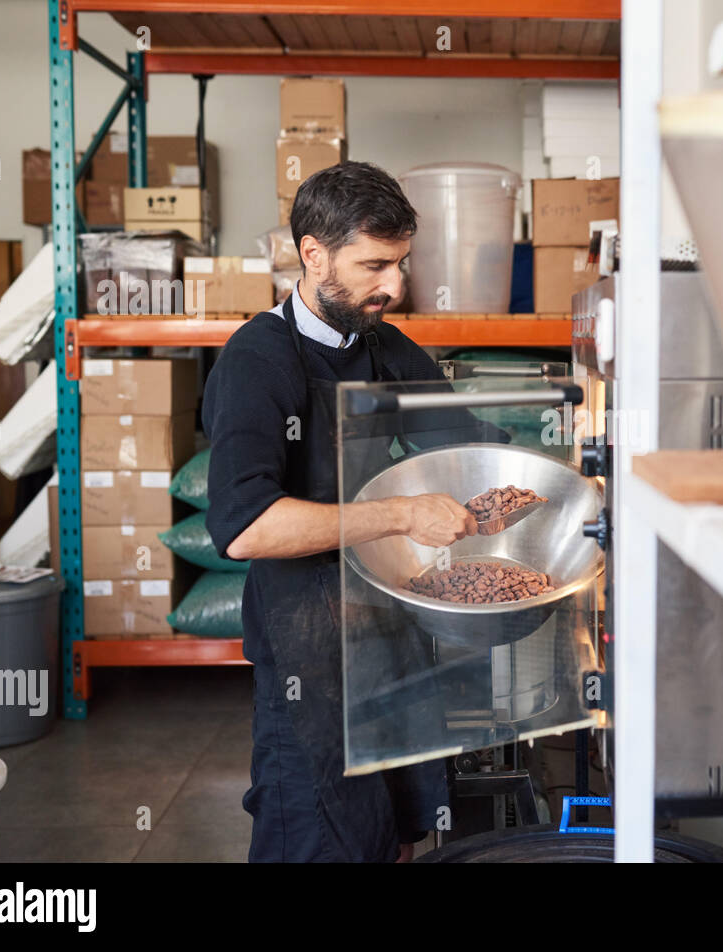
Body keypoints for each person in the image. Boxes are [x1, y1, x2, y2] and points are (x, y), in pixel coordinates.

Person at [204, 161, 492, 862]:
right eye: (374, 266)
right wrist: (401, 515)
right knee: (320, 833)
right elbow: (245, 528)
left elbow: (472, 447)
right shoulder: (257, 361)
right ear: (313, 254)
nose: (394, 286)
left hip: (392, 634)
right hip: (307, 655)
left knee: (397, 832)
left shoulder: (384, 346)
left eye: (400, 264)